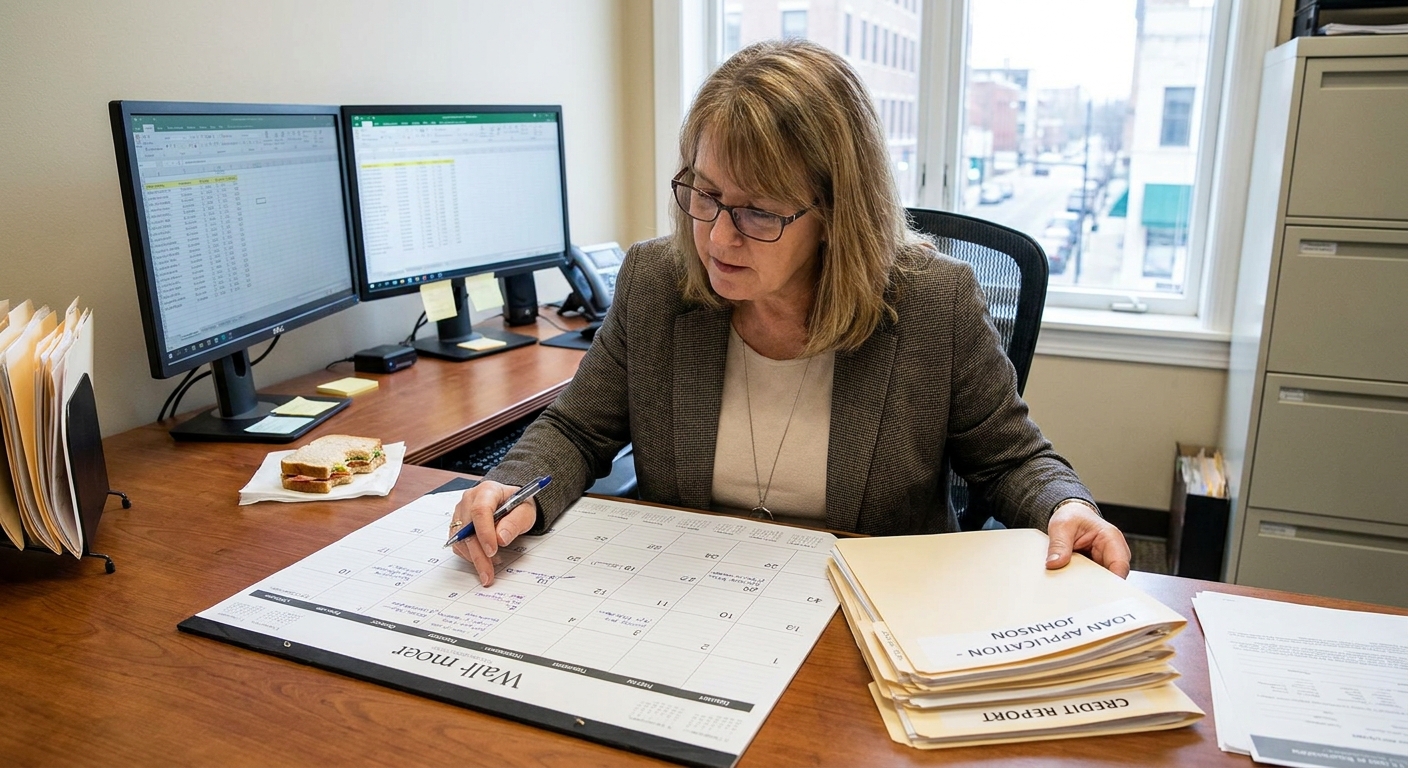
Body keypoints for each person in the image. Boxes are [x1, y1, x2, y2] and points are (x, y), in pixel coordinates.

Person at [451, 39, 1130, 586]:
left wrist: (1067, 507)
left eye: (757, 211)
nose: (717, 237)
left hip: (868, 613)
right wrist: (512, 489)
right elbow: (577, 431)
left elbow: (1011, 461)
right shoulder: (656, 281)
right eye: (705, 194)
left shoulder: (932, 302)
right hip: (686, 595)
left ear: (836, 214)